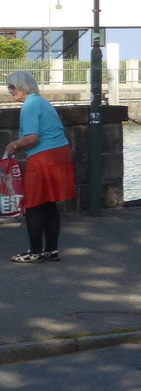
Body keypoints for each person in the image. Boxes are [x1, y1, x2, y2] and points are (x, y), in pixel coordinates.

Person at [4, 71, 76, 263]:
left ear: (24, 86)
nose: (10, 90)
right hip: (60, 154)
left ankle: (34, 252)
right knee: (49, 203)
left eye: (13, 86)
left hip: (44, 158)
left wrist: (14, 145)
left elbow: (32, 138)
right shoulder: (42, 102)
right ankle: (51, 250)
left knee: (34, 205)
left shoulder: (30, 105)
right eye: (8, 86)